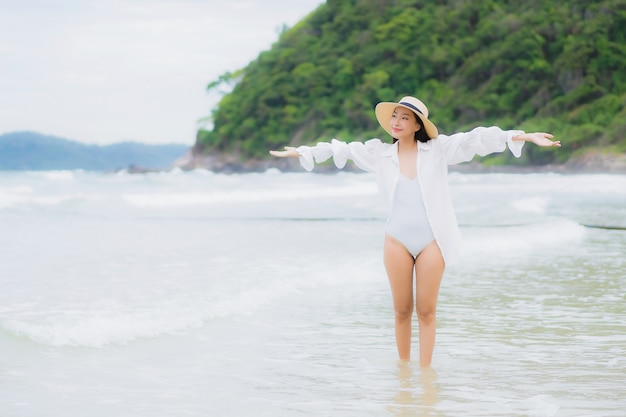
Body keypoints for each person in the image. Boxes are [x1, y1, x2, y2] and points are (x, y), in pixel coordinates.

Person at [270, 96, 560, 367]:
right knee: (401, 310)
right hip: (396, 240)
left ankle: (425, 374)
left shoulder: (437, 150)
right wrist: (301, 152)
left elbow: (476, 139)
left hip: (432, 240)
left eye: (405, 118)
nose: (396, 122)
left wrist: (523, 136)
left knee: (426, 311)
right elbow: (341, 149)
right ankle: (404, 372)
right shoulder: (379, 153)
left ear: (418, 125)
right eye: (394, 116)